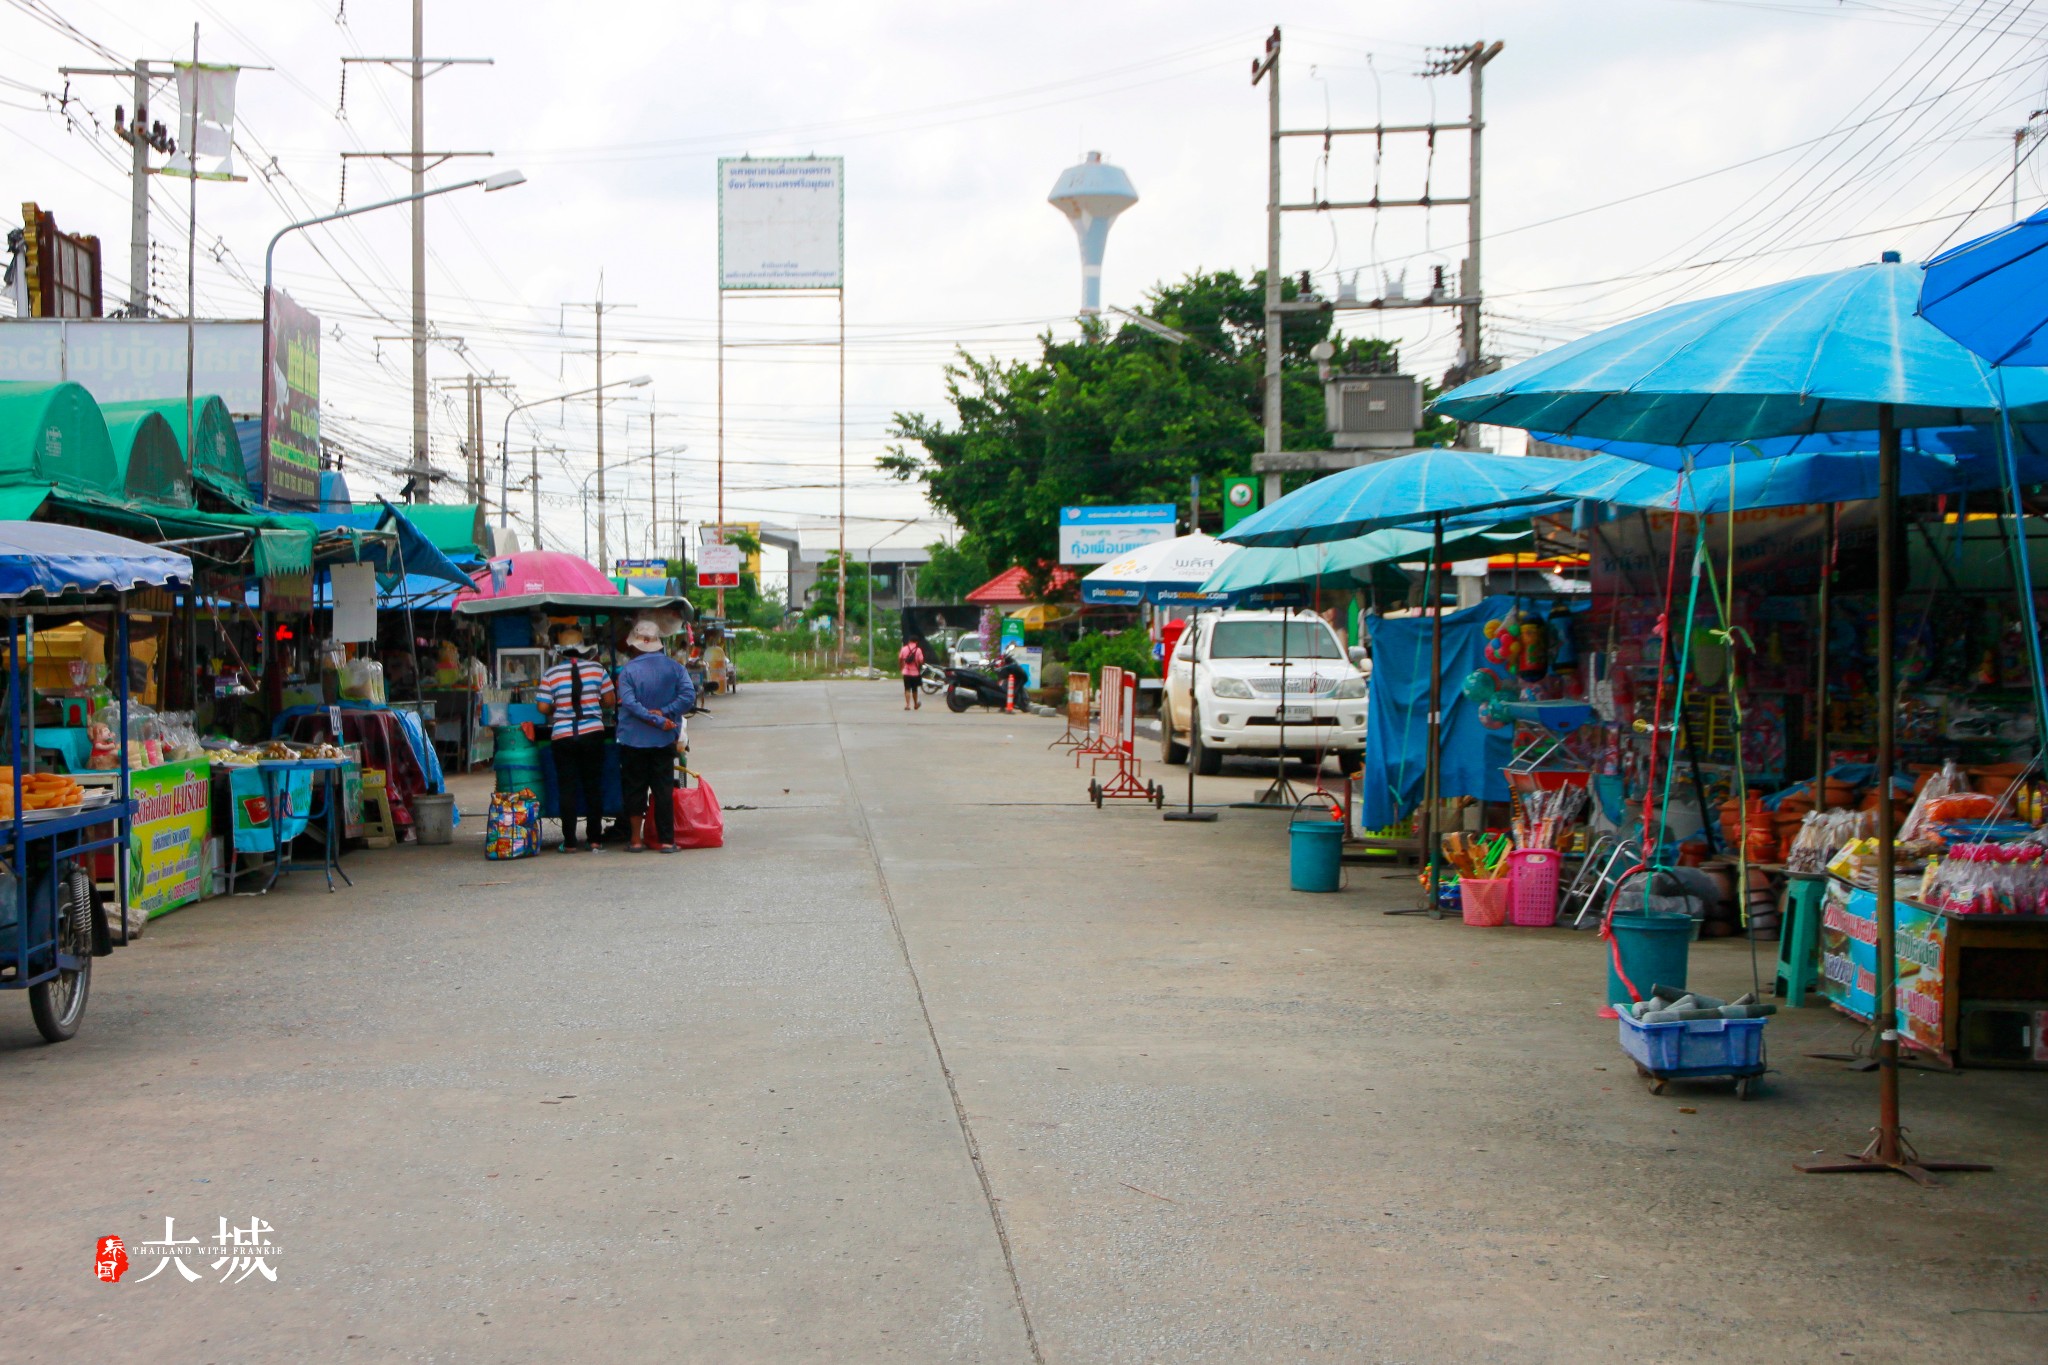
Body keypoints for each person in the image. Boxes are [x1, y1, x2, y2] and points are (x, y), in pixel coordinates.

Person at [615, 619, 695, 853]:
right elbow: (688, 696)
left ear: (635, 646)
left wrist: (655, 717)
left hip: (632, 741)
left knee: (634, 790)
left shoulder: (627, 671)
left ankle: (636, 841)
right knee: (663, 790)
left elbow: (629, 704)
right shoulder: (675, 668)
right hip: (663, 739)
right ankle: (667, 841)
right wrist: (664, 715)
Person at [536, 630, 614, 853]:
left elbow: (542, 707)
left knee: (567, 788)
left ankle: (569, 842)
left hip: (562, 735)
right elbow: (610, 700)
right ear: (583, 648)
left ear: (560, 651)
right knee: (592, 786)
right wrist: (595, 703)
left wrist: (557, 708)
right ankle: (595, 839)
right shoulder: (597, 669)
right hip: (592, 733)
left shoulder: (551, 673)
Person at [898, 635, 926, 711]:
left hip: (906, 672)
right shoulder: (918, 650)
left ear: (909, 641)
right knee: (914, 689)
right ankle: (916, 704)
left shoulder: (904, 649)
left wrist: (901, 668)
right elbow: (921, 661)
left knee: (907, 689)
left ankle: (907, 705)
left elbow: (900, 659)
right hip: (915, 673)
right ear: (916, 642)